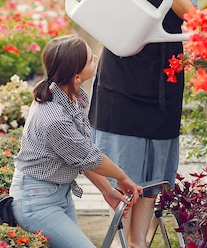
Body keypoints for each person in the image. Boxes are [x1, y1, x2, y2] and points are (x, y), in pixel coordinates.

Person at [87, 0, 207, 248]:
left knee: (154, 163)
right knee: (124, 158)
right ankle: (129, 239)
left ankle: (138, 241)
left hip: (166, 70)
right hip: (123, 64)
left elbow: (192, 13)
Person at [9, 34, 142, 248]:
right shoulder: (55, 118)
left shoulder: (67, 94)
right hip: (36, 200)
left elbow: (77, 155)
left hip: (57, 194)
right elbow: (91, 157)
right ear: (76, 77)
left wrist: (106, 189)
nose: (97, 57)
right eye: (91, 59)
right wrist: (123, 177)